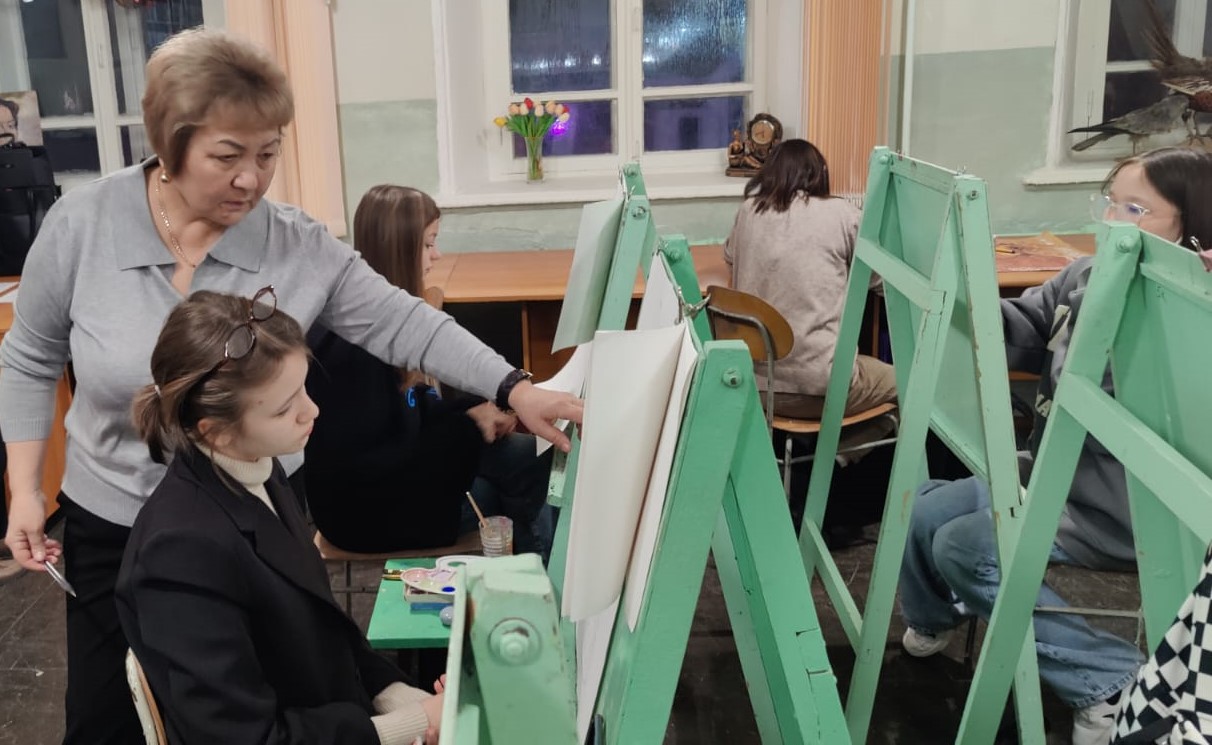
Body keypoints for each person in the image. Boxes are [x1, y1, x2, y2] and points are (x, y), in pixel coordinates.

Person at [0, 28, 582, 744]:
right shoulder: (84, 225)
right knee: (108, 721)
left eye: (268, 153)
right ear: (169, 144)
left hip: (254, 516)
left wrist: (514, 386)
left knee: (274, 698)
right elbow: (29, 357)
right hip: (114, 517)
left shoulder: (293, 242)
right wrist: (25, 489)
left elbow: (404, 321)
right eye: (227, 156)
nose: (252, 179)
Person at [898, 146, 1212, 745]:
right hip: (1053, 472)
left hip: (1124, 508)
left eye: (1136, 209)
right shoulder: (1089, 275)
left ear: (1192, 227)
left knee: (965, 546)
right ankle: (941, 613)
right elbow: (1024, 325)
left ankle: (1109, 680)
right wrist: (959, 292)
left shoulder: (1190, 309)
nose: (1113, 220)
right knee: (927, 505)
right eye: (1111, 202)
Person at [117, 289, 443, 744]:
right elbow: (246, 738)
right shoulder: (179, 554)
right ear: (217, 431)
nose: (313, 410)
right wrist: (411, 723)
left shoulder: (259, 468)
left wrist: (401, 697)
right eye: (286, 408)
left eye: (304, 388)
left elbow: (324, 630)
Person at [305, 185, 554, 555]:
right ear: (400, 250)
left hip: (386, 492)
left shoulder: (376, 328)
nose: (436, 255)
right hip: (367, 516)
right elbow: (381, 461)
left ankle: (529, 567)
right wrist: (471, 427)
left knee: (527, 457)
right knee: (522, 477)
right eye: (428, 244)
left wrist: (473, 410)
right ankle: (538, 574)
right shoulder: (352, 350)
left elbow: (405, 410)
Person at [723, 138, 896, 420]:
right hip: (820, 387)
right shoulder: (843, 215)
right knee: (908, 383)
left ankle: (835, 446)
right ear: (819, 174)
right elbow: (881, 281)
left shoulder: (748, 211)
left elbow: (730, 256)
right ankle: (851, 446)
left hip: (755, 386)